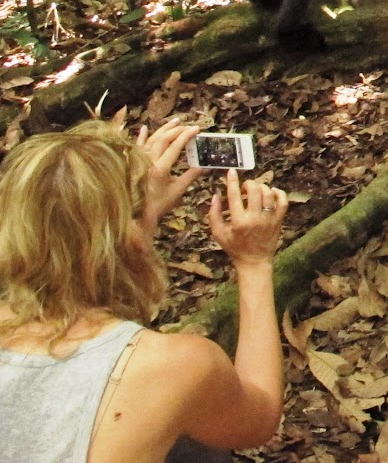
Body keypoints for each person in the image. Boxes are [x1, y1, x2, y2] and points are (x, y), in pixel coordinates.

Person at [0, 120, 289, 463]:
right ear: (130, 236)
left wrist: (140, 212)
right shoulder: (177, 367)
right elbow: (259, 420)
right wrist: (253, 262)